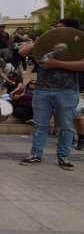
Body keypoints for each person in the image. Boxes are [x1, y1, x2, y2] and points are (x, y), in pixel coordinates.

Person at [19, 18, 84, 171]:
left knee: (66, 126)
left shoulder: (78, 44)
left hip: (67, 90)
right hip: (43, 89)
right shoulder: (47, 43)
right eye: (55, 27)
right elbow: (22, 51)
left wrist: (56, 64)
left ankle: (64, 156)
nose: (56, 29)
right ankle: (36, 154)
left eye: (60, 27)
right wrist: (44, 38)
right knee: (40, 125)